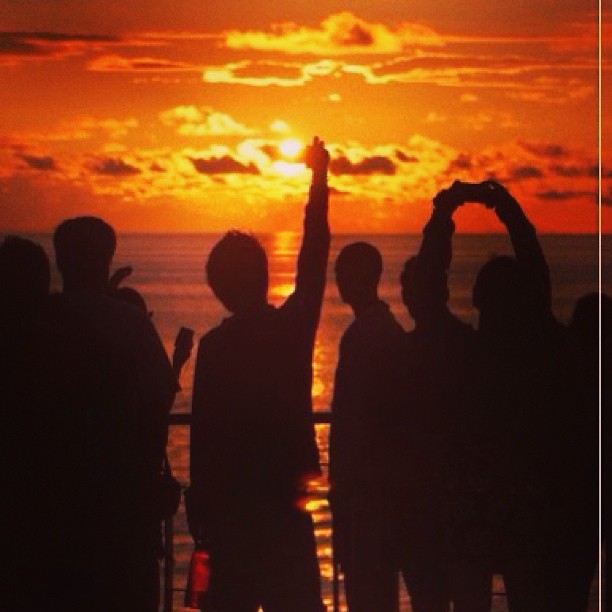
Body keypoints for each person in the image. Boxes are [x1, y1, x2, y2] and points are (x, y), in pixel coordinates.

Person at [414, 179, 597, 611]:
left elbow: (426, 287)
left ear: (477, 299)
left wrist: (445, 213)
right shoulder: (538, 353)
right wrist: (504, 205)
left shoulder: (462, 352)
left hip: (473, 501)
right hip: (527, 501)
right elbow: (535, 268)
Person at [188, 136, 330, 612]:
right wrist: (318, 180)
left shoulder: (214, 348)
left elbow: (203, 436)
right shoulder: (289, 331)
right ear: (263, 276)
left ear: (218, 288)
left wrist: (202, 507)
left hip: (232, 517)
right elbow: (313, 259)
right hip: (285, 507)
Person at [52, 216, 177, 612]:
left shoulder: (39, 320)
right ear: (107, 259)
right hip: (121, 509)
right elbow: (158, 403)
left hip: (51, 512)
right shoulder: (130, 324)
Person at [328, 242, 404, 612]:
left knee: (368, 589)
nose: (337, 279)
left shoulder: (364, 336)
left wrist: (343, 488)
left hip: (367, 490)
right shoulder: (381, 330)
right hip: (377, 488)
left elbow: (354, 419)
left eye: (342, 271)